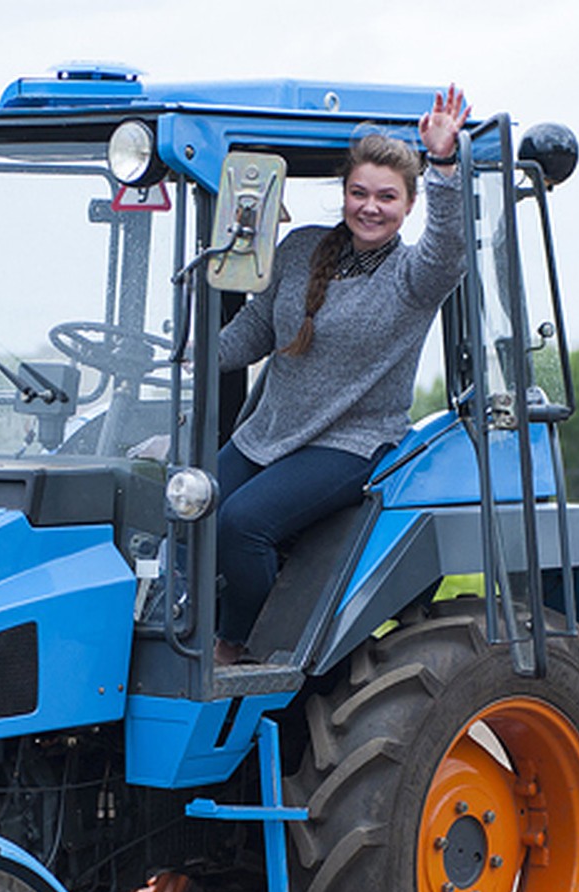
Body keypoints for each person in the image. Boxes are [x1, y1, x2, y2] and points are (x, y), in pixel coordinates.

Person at [214, 84, 471, 665]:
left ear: (408, 205)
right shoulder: (302, 248)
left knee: (241, 524)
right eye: (360, 193)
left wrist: (444, 161)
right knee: (191, 508)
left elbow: (451, 244)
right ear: (344, 194)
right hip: (271, 432)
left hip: (347, 442)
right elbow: (256, 328)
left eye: (386, 197)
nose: (370, 207)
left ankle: (245, 650)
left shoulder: (415, 276)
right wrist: (190, 356)